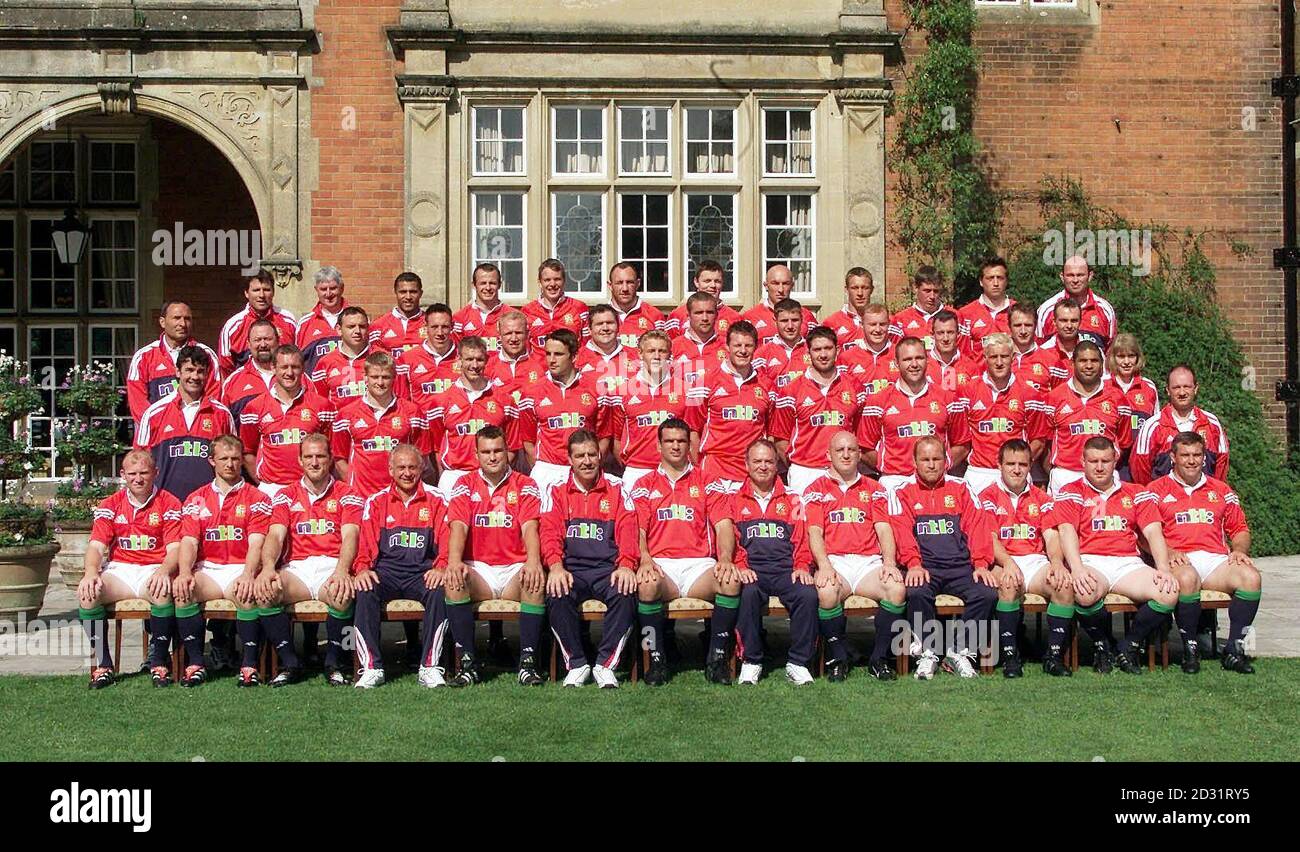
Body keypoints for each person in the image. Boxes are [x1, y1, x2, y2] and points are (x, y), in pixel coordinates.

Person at [1050, 436, 1178, 674]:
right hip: (1091, 560)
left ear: (1115, 460)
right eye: (1093, 461)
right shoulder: (1071, 491)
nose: (1099, 467)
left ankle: (1128, 645)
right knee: (1083, 592)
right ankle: (1103, 644)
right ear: (1083, 461)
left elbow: (1153, 532)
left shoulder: (1136, 492)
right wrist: (1077, 569)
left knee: (1168, 592)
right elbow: (1066, 531)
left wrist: (1163, 569)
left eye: (1105, 461)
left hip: (1127, 562)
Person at [631, 418, 741, 686]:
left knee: (730, 580)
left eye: (681, 441)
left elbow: (724, 525)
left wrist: (725, 559)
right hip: (661, 565)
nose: (676, 446)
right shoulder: (644, 483)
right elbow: (638, 529)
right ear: (658, 445)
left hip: (697, 566)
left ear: (690, 444)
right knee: (646, 585)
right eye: (669, 441)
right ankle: (655, 657)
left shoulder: (708, 481)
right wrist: (644, 559)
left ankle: (716, 659)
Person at [1146, 431, 1261, 674]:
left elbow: (1240, 528)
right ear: (1173, 457)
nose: (1191, 460)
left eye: (1197, 455)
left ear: (1204, 457)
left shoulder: (1221, 489)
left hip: (1214, 560)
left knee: (1251, 577)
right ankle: (1191, 648)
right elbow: (1143, 535)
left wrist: (1239, 550)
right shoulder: (1155, 490)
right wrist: (1166, 550)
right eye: (1185, 455)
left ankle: (1234, 649)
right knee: (1187, 578)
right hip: (1179, 559)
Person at [443, 426, 546, 686]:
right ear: (476, 454)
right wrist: (454, 562)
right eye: (486, 452)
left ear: (507, 452)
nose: (492, 457)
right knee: (454, 580)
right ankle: (467, 663)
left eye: (498, 450)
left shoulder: (526, 484)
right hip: (480, 570)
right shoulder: (464, 484)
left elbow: (530, 527)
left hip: (513, 568)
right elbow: (458, 526)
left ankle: (528, 663)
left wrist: (534, 563)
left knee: (534, 580)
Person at [259, 433, 364, 686]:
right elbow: (275, 535)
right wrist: (268, 568)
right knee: (267, 591)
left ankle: (334, 661)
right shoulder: (285, 495)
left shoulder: (347, 493)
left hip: (331, 565)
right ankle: (289, 662)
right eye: (309, 456)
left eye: (320, 456)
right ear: (299, 460)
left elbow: (351, 536)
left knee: (343, 594)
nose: (315, 462)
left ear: (330, 459)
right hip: (298, 569)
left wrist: (342, 571)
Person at [802, 431, 908, 682]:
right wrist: (824, 566)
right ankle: (838, 658)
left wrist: (890, 563)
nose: (846, 454)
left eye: (852, 449)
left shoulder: (875, 488)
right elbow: (814, 532)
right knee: (827, 591)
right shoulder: (815, 489)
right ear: (828, 455)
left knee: (896, 589)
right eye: (840, 450)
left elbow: (884, 528)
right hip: (836, 561)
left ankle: (880, 659)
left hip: (868, 562)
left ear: (860, 454)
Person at [892, 437, 999, 680]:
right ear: (915, 462)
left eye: (936, 459)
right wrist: (913, 563)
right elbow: (900, 531)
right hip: (925, 566)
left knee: (986, 593)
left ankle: (960, 652)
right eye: (925, 459)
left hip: (960, 566)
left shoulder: (961, 487)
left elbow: (978, 525)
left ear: (946, 460)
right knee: (917, 591)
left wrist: (981, 563)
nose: (931, 465)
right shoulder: (902, 491)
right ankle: (927, 653)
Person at [78, 449, 184, 688]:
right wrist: (91, 573)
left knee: (162, 591)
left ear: (155, 473)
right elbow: (96, 546)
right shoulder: (110, 504)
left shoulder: (169, 502)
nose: (138, 478)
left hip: (153, 568)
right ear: (123, 475)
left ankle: (158, 661)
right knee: (88, 594)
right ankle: (104, 665)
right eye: (133, 473)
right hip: (121, 569)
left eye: (144, 473)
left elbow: (175, 549)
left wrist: (164, 570)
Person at [174, 435, 273, 687]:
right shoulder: (196, 498)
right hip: (208, 569)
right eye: (223, 459)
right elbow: (189, 542)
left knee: (248, 594)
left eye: (235, 459)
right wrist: (185, 571)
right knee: (183, 591)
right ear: (211, 461)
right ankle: (196, 663)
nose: (229, 464)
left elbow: (256, 543)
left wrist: (248, 574)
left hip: (238, 569)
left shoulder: (258, 498)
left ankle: (249, 665)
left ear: (242, 461)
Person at [350, 444, 452, 689]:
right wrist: (363, 568)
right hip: (387, 572)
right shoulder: (376, 502)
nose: (407, 473)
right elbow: (365, 543)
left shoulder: (437, 499)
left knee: (440, 591)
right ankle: (372, 667)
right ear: (391, 470)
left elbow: (446, 540)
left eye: (412, 467)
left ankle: (429, 666)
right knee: (365, 589)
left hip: (421, 572)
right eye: (401, 467)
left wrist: (441, 567)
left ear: (422, 468)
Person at [542, 430, 638, 688]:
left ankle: (605, 664)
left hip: (607, 569)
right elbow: (549, 532)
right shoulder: (556, 490)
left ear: (600, 455)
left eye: (591, 455)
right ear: (569, 459)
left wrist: (627, 564)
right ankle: (576, 663)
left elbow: (628, 529)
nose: (586, 461)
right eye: (580, 456)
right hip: (572, 569)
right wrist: (555, 566)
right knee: (556, 593)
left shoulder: (618, 488)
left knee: (626, 591)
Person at [978, 439, 1073, 677]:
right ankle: (1011, 655)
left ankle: (1053, 656)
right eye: (1010, 463)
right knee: (1007, 584)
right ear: (999, 464)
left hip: (1035, 561)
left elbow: (1051, 536)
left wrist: (1057, 563)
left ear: (1030, 465)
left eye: (1022, 464)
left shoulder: (1041, 498)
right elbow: (990, 538)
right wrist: (1008, 562)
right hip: (1003, 561)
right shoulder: (986, 496)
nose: (1016, 469)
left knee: (1063, 585)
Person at [731, 439, 820, 686]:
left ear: (777, 464)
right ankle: (751, 661)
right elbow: (731, 540)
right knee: (746, 595)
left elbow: (801, 538)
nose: (763, 467)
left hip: (785, 570)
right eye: (757, 461)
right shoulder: (734, 499)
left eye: (769, 461)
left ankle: (798, 662)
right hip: (752, 571)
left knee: (807, 595)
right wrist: (740, 565)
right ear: (746, 464)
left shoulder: (792, 498)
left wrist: (802, 565)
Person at [858, 336, 970, 492]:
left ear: (927, 359)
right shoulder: (878, 401)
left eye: (919, 358)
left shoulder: (948, 399)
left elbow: (963, 444)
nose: (914, 364)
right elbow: (864, 447)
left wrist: (941, 466)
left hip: (936, 481)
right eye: (907, 359)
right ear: (896, 363)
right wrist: (888, 465)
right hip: (894, 481)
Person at [514, 329, 611, 497]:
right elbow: (528, 440)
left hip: (583, 468)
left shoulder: (597, 388)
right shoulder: (531, 392)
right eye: (548, 354)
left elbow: (604, 435)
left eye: (558, 354)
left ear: (573, 357)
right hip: (547, 469)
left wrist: (589, 465)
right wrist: (540, 465)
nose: (551, 360)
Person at [769, 326, 865, 495]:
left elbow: (858, 431)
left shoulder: (855, 387)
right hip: (805, 472)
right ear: (808, 352)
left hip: (844, 470)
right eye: (817, 349)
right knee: (804, 521)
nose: (823, 355)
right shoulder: (791, 390)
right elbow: (781, 439)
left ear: (837, 350)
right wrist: (798, 463)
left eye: (828, 348)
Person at [134, 345, 236, 500]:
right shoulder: (153, 414)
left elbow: (232, 461)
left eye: (200, 371)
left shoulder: (221, 414)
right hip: (166, 508)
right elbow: (139, 463)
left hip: (208, 508)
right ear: (177, 372)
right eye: (189, 370)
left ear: (207, 375)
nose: (194, 377)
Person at [684, 321, 775, 493]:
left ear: (755, 347)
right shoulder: (704, 382)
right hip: (714, 471)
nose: (743, 350)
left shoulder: (767, 385)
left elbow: (770, 433)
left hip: (751, 474)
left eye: (748, 345)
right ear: (727, 346)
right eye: (737, 345)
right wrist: (698, 468)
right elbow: (692, 430)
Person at [958, 333, 1049, 498]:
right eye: (994, 357)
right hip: (979, 473)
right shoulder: (968, 391)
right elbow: (961, 438)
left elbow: (1038, 441)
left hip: (1015, 474)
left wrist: (1017, 466)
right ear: (985, 358)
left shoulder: (1029, 394)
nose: (999, 362)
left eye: (1004, 356)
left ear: (1013, 357)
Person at [238, 343, 334, 497]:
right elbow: (248, 452)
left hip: (311, 488)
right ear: (273, 368)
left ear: (302, 369)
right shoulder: (254, 408)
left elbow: (330, 449)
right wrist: (264, 482)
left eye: (295, 367)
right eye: (284, 367)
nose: (289, 373)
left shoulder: (322, 406)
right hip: (271, 490)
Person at [426, 335, 515, 497]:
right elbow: (436, 447)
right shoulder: (441, 401)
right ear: (459, 360)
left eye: (479, 360)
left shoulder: (504, 399)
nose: (474, 365)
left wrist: (495, 471)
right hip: (454, 475)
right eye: (469, 359)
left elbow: (513, 445)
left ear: (487, 360)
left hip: (492, 477)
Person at [330, 351, 428, 497]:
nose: (380, 383)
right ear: (365, 378)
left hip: (398, 497)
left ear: (394, 378)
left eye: (386, 377)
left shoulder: (413, 412)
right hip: (360, 497)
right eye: (375, 377)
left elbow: (422, 457)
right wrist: (354, 487)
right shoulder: (346, 415)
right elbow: (339, 459)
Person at [1040, 340, 1131, 494]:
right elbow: (1044, 442)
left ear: (1102, 364)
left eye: (1094, 361)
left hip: (1104, 478)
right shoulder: (1054, 398)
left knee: (1100, 519)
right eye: (1083, 360)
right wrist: (1055, 470)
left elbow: (1124, 443)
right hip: (1064, 475)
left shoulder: (1118, 399)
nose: (1089, 366)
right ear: (1072, 363)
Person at [607, 330, 693, 494]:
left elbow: (691, 434)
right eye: (651, 351)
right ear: (640, 353)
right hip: (636, 470)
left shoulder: (685, 390)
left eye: (662, 351)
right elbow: (617, 439)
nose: (657, 356)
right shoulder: (622, 391)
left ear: (669, 355)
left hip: (674, 471)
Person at [1130, 364, 1229, 485]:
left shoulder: (1211, 423)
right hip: (1164, 501)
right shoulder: (1152, 426)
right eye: (1176, 387)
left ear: (1195, 388)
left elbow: (1221, 464)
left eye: (1187, 386)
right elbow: (1140, 469)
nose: (1182, 392)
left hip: (1204, 499)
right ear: (1168, 390)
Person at [127, 300, 223, 421]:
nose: (182, 323)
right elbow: (138, 404)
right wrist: (162, 428)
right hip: (157, 433)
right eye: (176, 318)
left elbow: (213, 397)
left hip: (196, 431)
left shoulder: (207, 354)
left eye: (187, 319)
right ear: (162, 322)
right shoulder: (143, 357)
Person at [217, 269, 297, 375]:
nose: (262, 295)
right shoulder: (232, 326)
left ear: (273, 292)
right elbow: (225, 368)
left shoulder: (289, 321)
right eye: (256, 290)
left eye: (266, 289)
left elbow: (299, 358)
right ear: (246, 293)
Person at [1105, 333, 1159, 478]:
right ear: (1113, 358)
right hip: (1110, 461)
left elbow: (1155, 427)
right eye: (1121, 356)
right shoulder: (1103, 385)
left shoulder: (1149, 387)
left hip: (1140, 460)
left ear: (1138, 357)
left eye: (1131, 356)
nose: (1127, 361)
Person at [1035, 255, 1117, 349]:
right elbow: (1037, 351)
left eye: (1080, 275)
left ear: (1090, 276)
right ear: (1062, 277)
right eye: (1070, 275)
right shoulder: (1046, 310)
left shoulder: (1105, 310)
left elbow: (1111, 352)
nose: (1075, 280)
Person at [393, 303, 460, 411]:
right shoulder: (406, 359)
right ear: (425, 327)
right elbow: (402, 401)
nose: (440, 332)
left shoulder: (464, 357)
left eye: (445, 327)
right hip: (423, 426)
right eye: (434, 327)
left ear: (452, 326)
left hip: (454, 424)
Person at [311, 306, 379, 406]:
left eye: (362, 326)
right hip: (339, 420)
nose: (357, 331)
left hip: (373, 420)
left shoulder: (381, 359)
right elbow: (320, 404)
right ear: (339, 329)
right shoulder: (325, 363)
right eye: (351, 327)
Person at [956, 257, 1015, 364]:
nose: (996, 283)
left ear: (1006, 281)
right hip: (978, 378)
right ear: (981, 282)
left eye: (1000, 278)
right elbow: (962, 354)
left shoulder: (1017, 311)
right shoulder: (965, 314)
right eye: (990, 278)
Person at [521, 258, 590, 349]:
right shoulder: (527, 311)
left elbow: (587, 345)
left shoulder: (579, 308)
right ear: (540, 283)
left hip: (571, 363)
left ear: (564, 281)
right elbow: (524, 347)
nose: (552, 284)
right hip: (538, 363)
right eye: (547, 280)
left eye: (557, 279)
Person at [665, 259, 742, 341]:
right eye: (707, 281)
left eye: (717, 281)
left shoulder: (734, 318)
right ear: (696, 282)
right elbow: (669, 348)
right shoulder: (677, 316)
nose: (713, 285)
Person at [741, 263, 817, 345]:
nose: (781, 289)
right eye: (775, 283)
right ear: (766, 286)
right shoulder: (750, 317)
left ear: (792, 285)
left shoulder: (806, 316)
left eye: (785, 284)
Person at [220, 318, 279, 421]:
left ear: (278, 341)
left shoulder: (296, 377)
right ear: (248, 344)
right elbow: (225, 425)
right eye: (257, 340)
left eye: (268, 339)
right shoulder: (233, 382)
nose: (263, 344)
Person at [295, 266, 350, 373]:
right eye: (323, 289)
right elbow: (297, 360)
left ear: (342, 288)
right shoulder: (305, 323)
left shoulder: (357, 319)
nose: (328, 294)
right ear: (316, 290)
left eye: (333, 288)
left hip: (348, 386)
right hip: (315, 387)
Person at [838, 302, 899, 395]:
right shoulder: (846, 358)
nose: (878, 330)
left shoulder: (900, 354)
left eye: (882, 324)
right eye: (872, 324)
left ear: (889, 324)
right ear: (862, 325)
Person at [576, 303, 637, 393]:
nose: (605, 328)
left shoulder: (636, 356)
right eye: (599, 324)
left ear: (618, 326)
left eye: (610, 323)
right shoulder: (576, 359)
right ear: (589, 329)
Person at [669, 292, 727, 385]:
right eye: (699, 313)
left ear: (716, 315)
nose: (705, 318)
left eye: (709, 312)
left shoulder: (728, 346)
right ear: (688, 316)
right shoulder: (672, 348)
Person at [753, 299, 811, 390]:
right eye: (784, 321)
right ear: (775, 322)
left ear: (802, 320)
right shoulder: (761, 355)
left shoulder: (813, 351)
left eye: (795, 320)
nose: (790, 326)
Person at [607, 261, 666, 348]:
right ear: (610, 286)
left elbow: (664, 352)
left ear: (638, 284)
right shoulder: (598, 317)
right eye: (619, 283)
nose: (625, 288)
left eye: (629, 282)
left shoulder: (654, 316)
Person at [888, 266, 948, 351]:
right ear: (915, 288)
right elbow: (895, 353)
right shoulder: (900, 320)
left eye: (936, 291)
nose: (932, 296)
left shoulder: (955, 317)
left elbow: (963, 353)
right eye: (927, 291)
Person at [452, 263, 508, 353]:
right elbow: (456, 353)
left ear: (499, 285)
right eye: (483, 283)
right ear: (474, 285)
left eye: (492, 283)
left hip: (501, 367)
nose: (488, 287)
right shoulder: (460, 318)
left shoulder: (512, 315)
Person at [368, 272, 427, 356]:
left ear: (421, 293)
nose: (408, 297)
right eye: (403, 292)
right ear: (395, 292)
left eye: (413, 292)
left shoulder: (431, 323)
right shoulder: (379, 325)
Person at [925, 309, 980, 392]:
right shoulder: (923, 366)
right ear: (933, 335)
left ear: (958, 334)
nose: (945, 338)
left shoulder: (971, 367)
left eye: (950, 332)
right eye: (940, 333)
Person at [822, 267, 876, 348]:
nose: (860, 293)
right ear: (846, 290)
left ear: (872, 290)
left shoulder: (885, 323)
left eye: (865, 288)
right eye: (855, 288)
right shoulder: (830, 324)